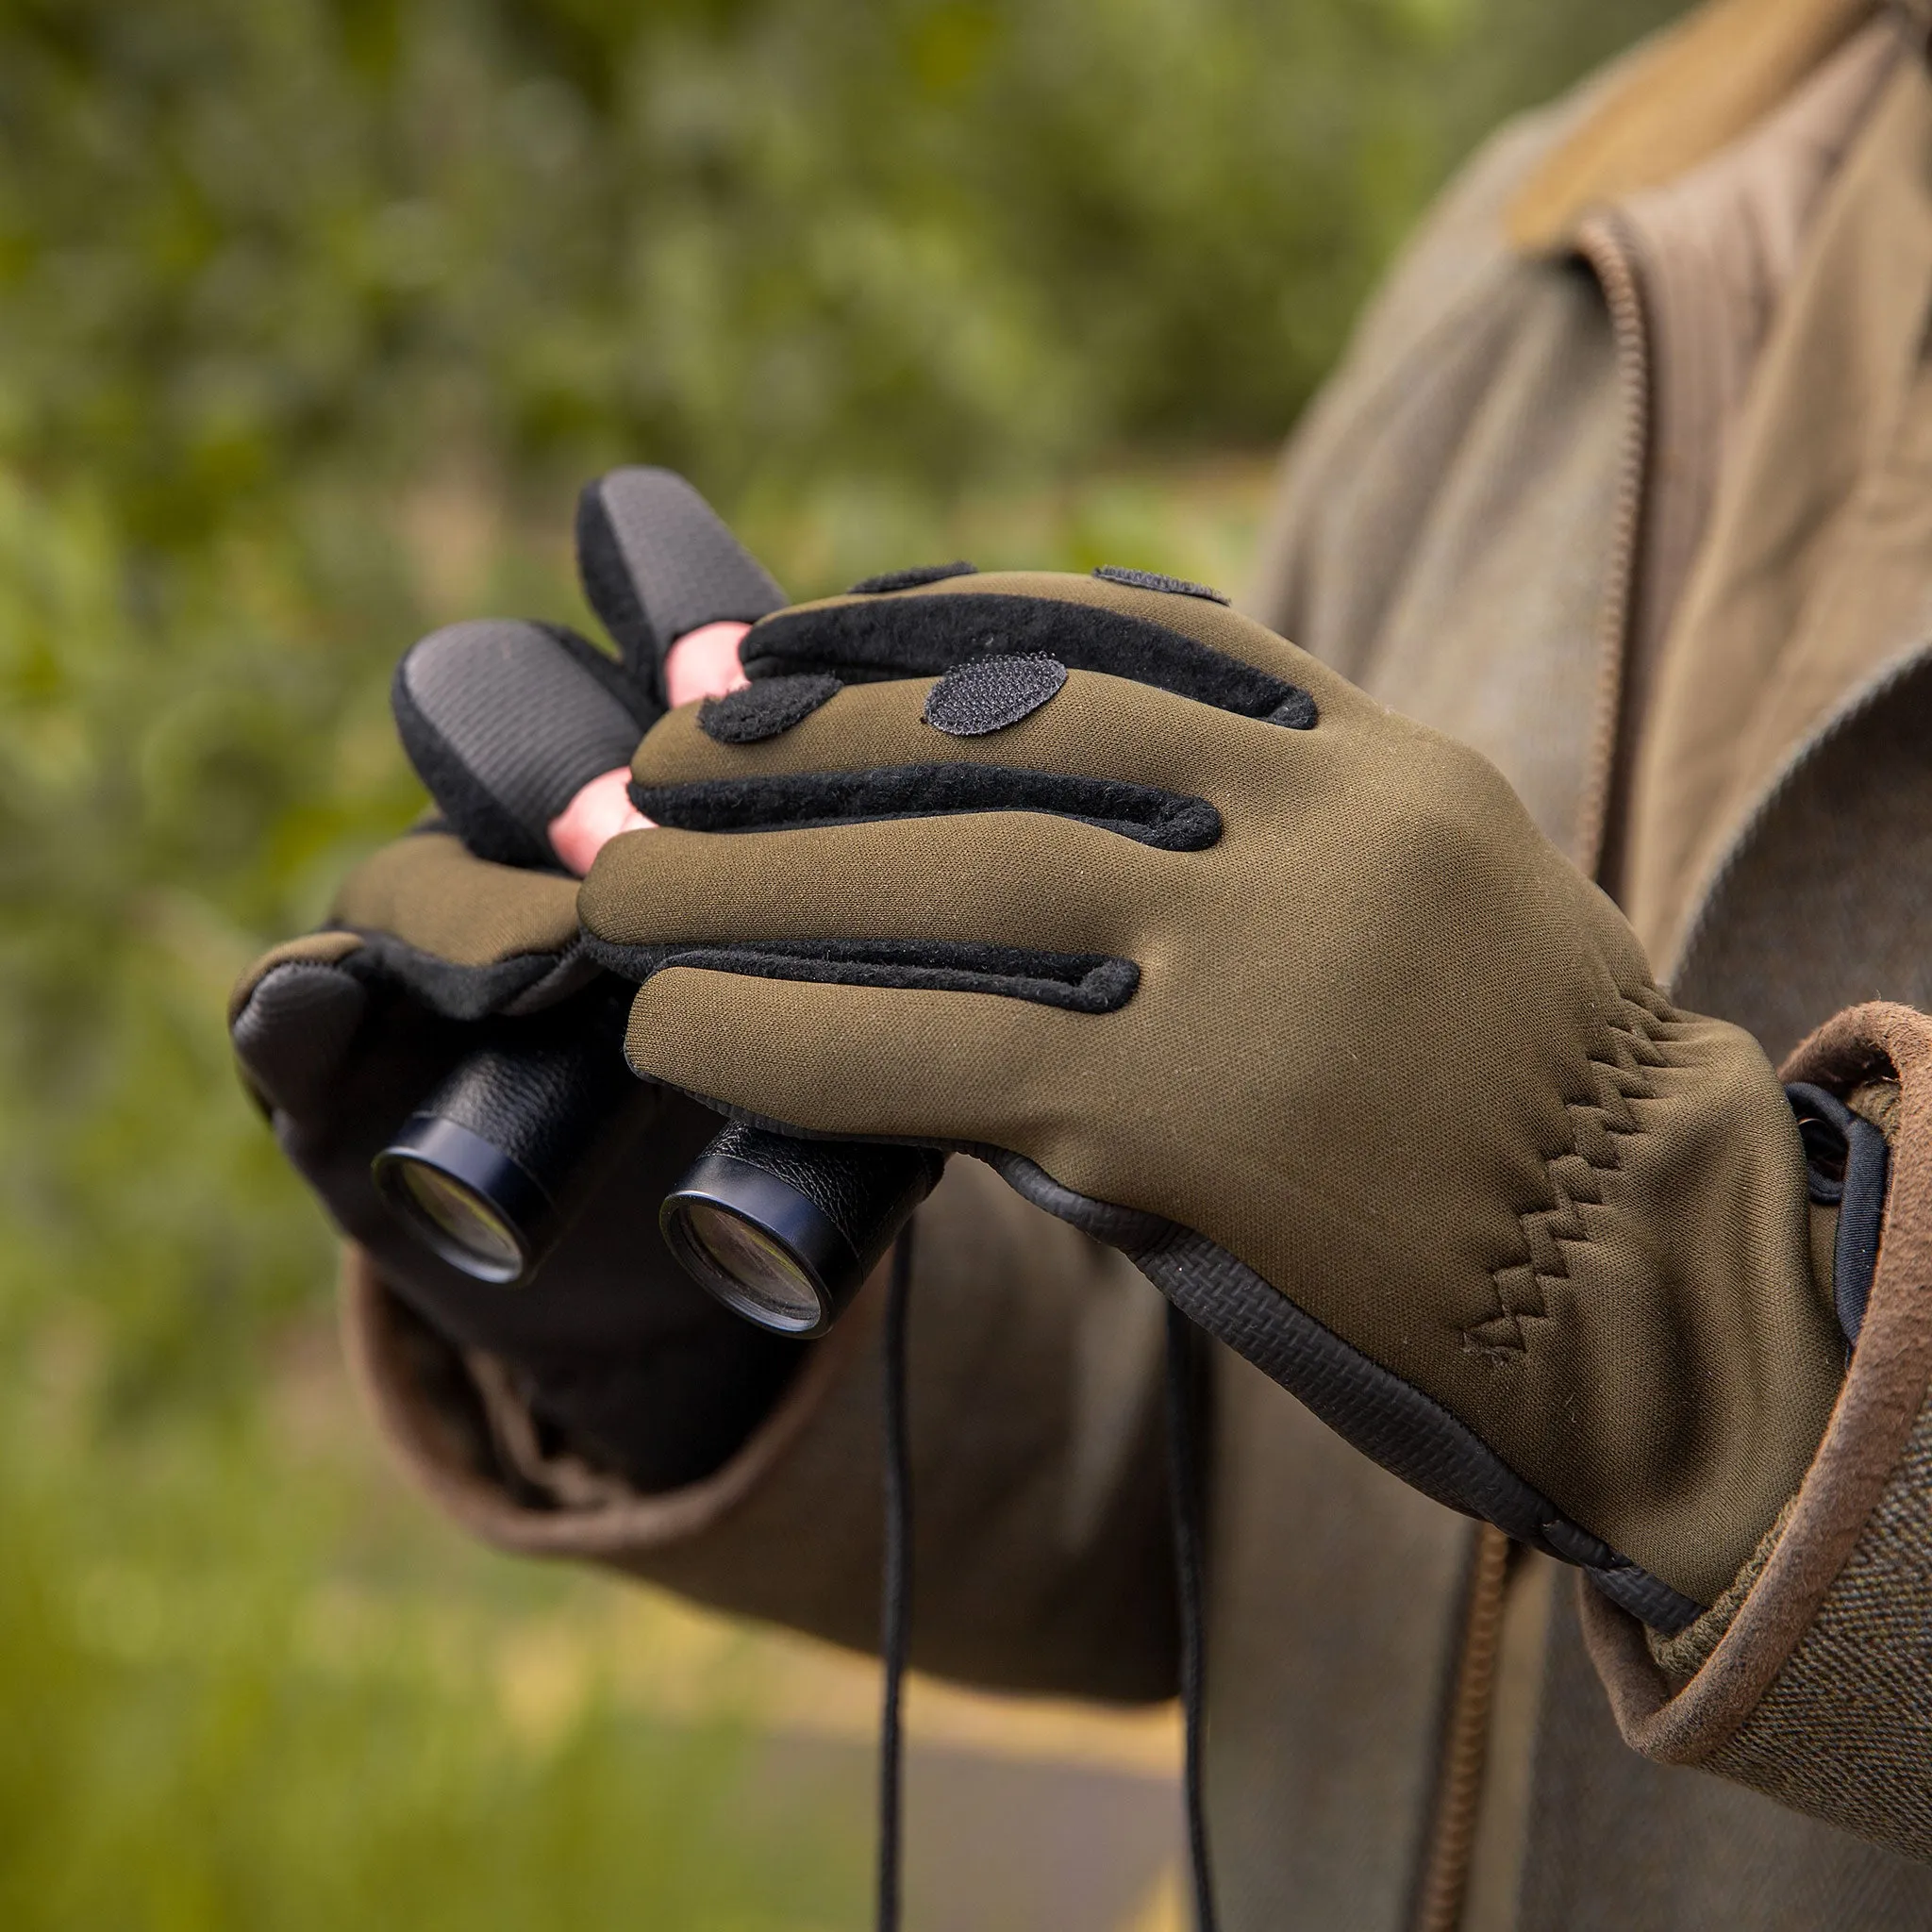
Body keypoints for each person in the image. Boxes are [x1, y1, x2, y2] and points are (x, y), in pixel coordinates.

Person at [229, 0, 1932, 1924]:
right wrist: (724, 1306)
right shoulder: (1564, 239)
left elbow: (1566, 1251)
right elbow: (1228, 1493)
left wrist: (1665, 1285)